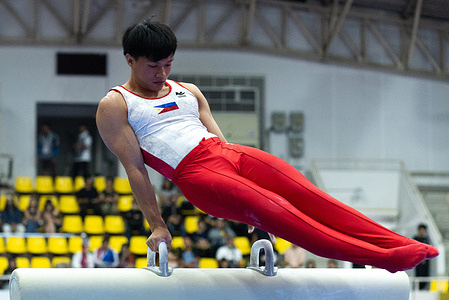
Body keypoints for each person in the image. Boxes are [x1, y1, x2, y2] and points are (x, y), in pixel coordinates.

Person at [96, 19, 438, 273]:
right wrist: (157, 224)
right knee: (286, 215)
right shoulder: (117, 104)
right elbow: (135, 168)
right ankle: (385, 259)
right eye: (153, 65)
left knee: (313, 197)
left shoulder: (189, 90)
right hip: (197, 176)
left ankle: (398, 242)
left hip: (229, 156)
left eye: (168, 63)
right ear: (129, 59)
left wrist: (246, 200)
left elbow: (220, 140)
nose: (162, 72)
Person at [413, 224, 431, 289]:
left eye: (424, 230)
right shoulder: (415, 239)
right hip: (418, 261)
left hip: (425, 262)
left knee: (425, 275)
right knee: (418, 275)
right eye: (421, 230)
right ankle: (418, 288)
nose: (422, 232)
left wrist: (424, 258)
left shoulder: (426, 240)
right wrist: (420, 258)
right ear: (419, 230)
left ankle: (424, 288)